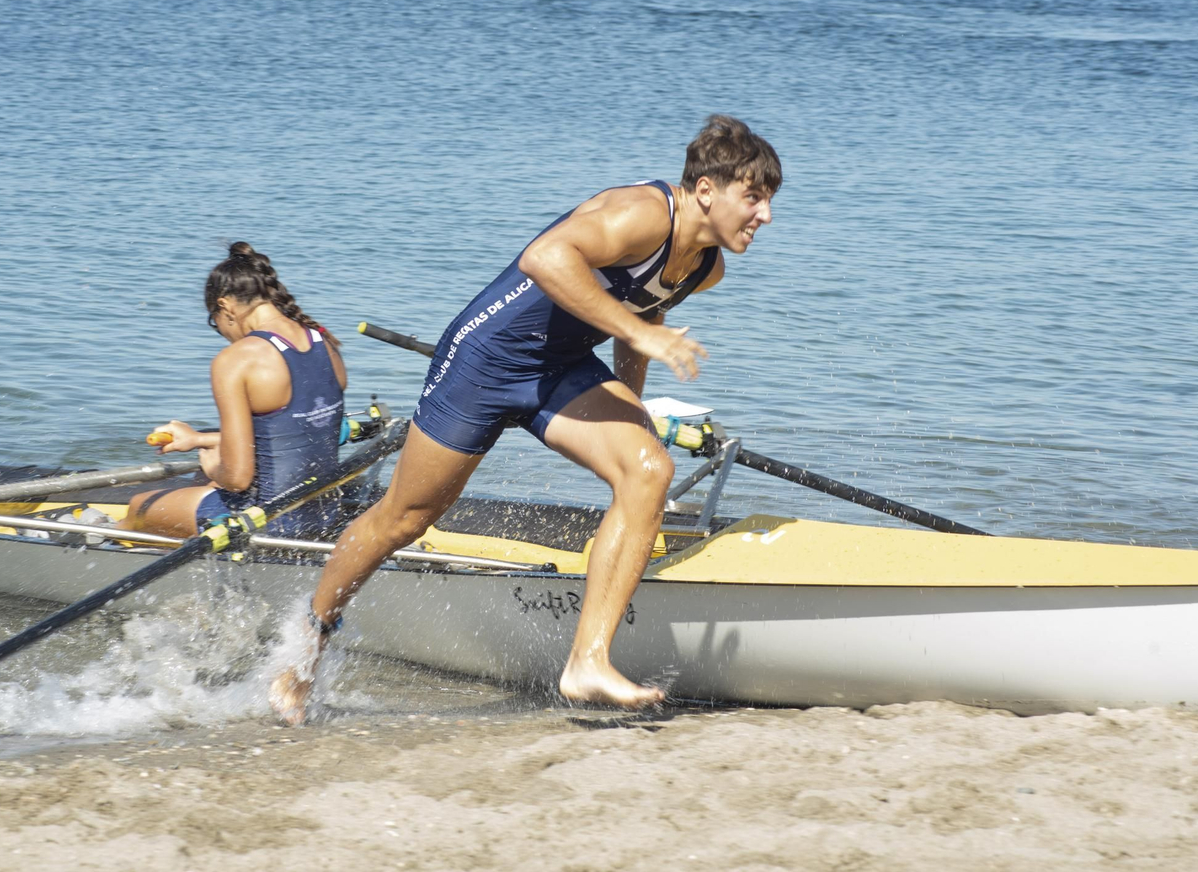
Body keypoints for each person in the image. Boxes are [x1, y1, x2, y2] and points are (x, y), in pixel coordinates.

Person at [269, 115, 781, 724]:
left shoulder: (704, 266)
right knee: (403, 520)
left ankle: (587, 661)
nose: (766, 215)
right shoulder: (639, 214)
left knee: (648, 469)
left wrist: (632, 410)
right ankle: (304, 651)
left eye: (770, 200)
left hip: (560, 367)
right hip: (483, 361)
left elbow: (632, 328)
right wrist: (643, 333)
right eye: (753, 197)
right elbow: (545, 258)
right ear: (705, 190)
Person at [120, 243, 349, 542]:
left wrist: (214, 465)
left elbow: (238, 477)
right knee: (207, 488)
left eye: (215, 323)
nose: (223, 334)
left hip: (265, 522)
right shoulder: (324, 341)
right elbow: (296, 432)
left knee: (139, 508)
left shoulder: (236, 360)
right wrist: (198, 439)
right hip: (324, 514)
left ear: (225, 306)